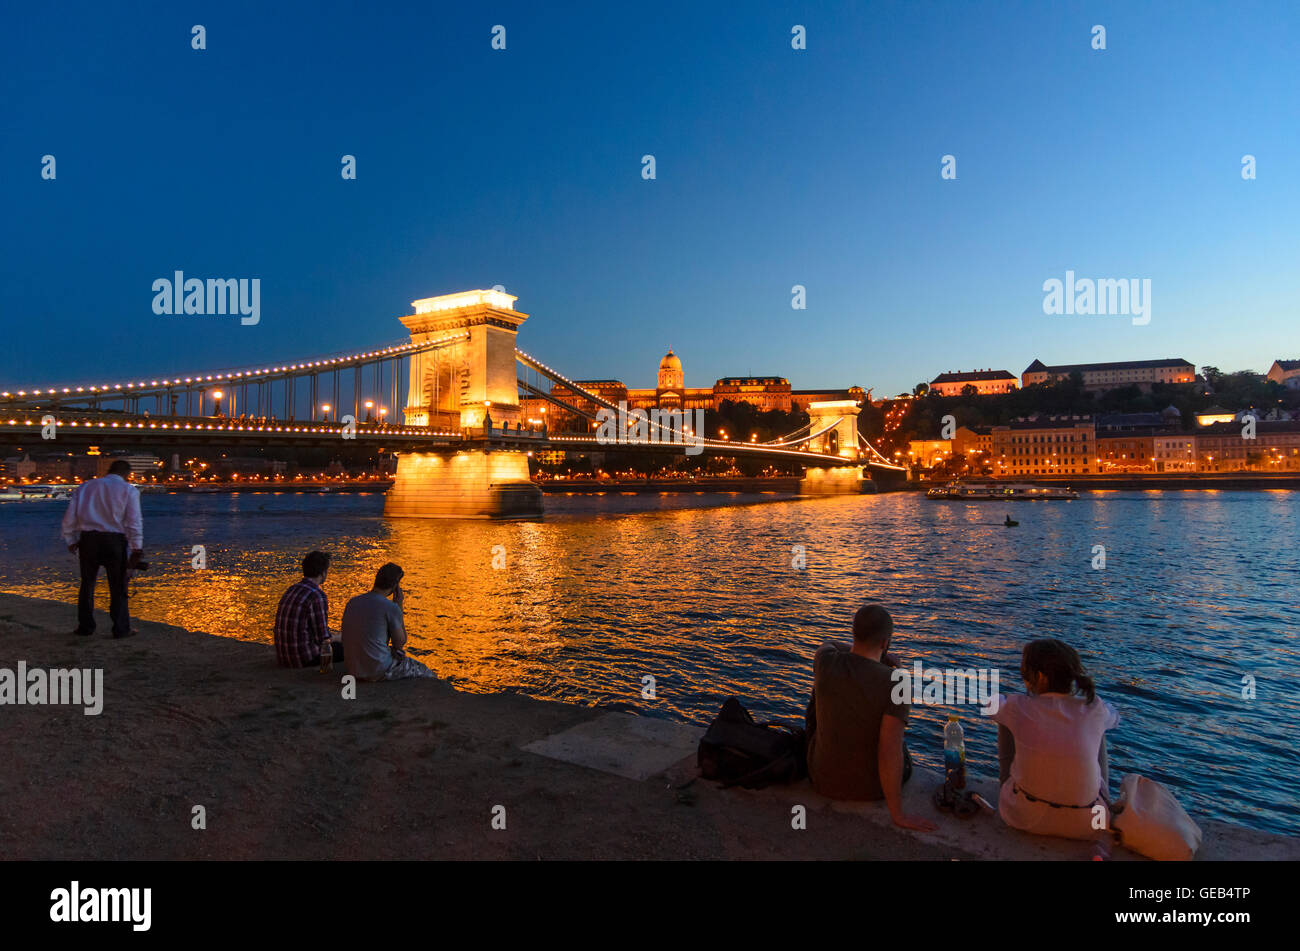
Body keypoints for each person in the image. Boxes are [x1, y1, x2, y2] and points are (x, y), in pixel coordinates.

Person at [806, 604, 936, 831]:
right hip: (870, 789)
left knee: (819, 695)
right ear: (885, 643)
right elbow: (889, 751)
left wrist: (862, 650)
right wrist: (898, 815)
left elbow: (828, 644)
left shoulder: (826, 661)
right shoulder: (897, 682)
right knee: (899, 743)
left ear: (854, 633)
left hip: (820, 779)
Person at [992, 638, 1119, 840]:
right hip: (1090, 824)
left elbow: (992, 706)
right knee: (1098, 729)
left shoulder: (1018, 706)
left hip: (1023, 817)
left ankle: (1005, 786)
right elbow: (1115, 718)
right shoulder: (1093, 707)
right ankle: (1105, 800)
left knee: (1004, 717)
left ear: (1040, 677)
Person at [61, 459, 144, 639]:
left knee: (87, 584)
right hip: (114, 541)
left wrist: (70, 540)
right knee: (118, 586)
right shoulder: (129, 490)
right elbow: (134, 522)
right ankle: (121, 629)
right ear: (127, 474)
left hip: (88, 540)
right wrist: (136, 548)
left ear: (108, 470)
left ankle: (85, 627)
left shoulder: (85, 487)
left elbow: (70, 517)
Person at [341, 563, 435, 681]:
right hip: (377, 670)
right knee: (427, 673)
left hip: (353, 669)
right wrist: (399, 605)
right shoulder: (390, 607)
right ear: (396, 586)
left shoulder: (352, 602)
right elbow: (399, 643)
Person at [273, 551, 343, 668]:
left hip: (284, 656)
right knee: (347, 648)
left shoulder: (292, 589)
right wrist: (339, 637)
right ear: (323, 573)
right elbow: (323, 639)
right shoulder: (317, 595)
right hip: (303, 658)